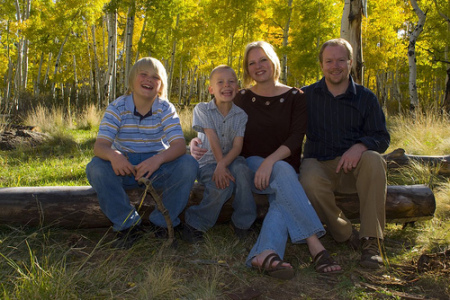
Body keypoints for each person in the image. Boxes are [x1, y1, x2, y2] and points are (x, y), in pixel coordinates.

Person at [191, 41, 342, 279]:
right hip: (249, 166)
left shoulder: (296, 96)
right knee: (283, 178)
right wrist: (195, 142)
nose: (258, 66)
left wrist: (269, 162)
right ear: (246, 69)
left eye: (263, 60)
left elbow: (295, 138)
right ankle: (316, 246)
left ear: (274, 62)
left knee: (282, 189)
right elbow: (218, 126)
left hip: (281, 168)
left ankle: (265, 254)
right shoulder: (241, 98)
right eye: (251, 63)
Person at [86, 57, 198, 249]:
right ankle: (127, 224)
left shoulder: (165, 109)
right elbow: (100, 146)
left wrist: (157, 160)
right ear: (132, 80)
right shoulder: (117, 107)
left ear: (161, 86)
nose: (149, 80)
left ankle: (162, 224)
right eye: (143, 74)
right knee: (96, 167)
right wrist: (114, 156)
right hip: (125, 167)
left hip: (157, 167)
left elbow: (179, 146)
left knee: (189, 164)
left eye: (156, 77)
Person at [299, 38, 390, 269]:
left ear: (350, 63)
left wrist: (360, 146)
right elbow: (284, 129)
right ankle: (346, 233)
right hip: (319, 165)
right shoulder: (305, 96)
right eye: (329, 61)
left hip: (354, 170)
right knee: (307, 175)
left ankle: (371, 241)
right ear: (321, 65)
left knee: (374, 159)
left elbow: (382, 136)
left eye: (341, 60)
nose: (335, 66)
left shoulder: (365, 97)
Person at [183, 65, 256, 242]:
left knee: (243, 172)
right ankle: (194, 222)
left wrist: (224, 165)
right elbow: (212, 137)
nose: (227, 86)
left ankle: (243, 222)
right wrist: (219, 166)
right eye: (220, 82)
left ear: (237, 88)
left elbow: (237, 147)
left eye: (231, 82)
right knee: (223, 185)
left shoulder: (241, 115)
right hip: (208, 162)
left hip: (231, 159)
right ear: (211, 89)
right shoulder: (202, 109)